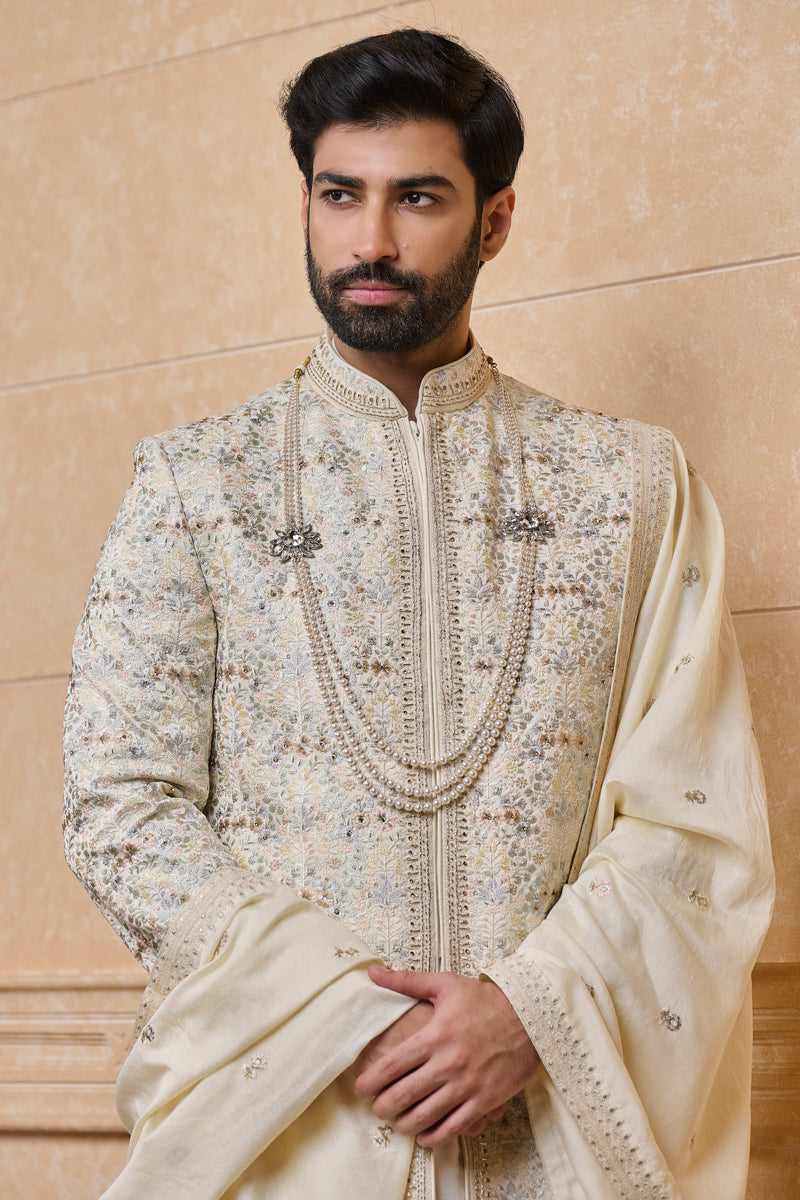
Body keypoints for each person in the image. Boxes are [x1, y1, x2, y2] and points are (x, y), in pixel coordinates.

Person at [63, 28, 774, 1200]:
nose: (371, 242)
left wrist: (524, 1011)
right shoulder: (196, 485)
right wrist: (339, 1013)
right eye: (339, 196)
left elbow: (692, 819)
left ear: (493, 220)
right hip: (283, 1128)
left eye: (419, 198)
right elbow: (116, 800)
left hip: (551, 1131)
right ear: (305, 204)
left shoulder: (630, 488)